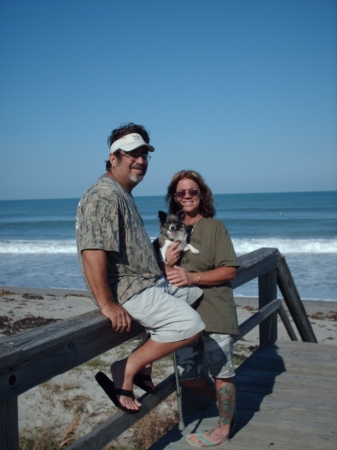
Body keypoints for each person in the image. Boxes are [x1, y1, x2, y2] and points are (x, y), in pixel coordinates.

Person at [76, 124, 205, 413]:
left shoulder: (123, 193)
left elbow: (129, 245)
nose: (141, 161)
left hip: (149, 281)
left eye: (145, 155)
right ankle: (126, 368)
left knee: (194, 293)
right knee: (190, 326)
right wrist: (108, 304)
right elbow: (92, 252)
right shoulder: (103, 194)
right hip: (130, 289)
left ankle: (144, 366)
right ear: (113, 158)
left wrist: (160, 264)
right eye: (132, 154)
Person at [163, 170, 240, 447]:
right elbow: (155, 269)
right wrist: (166, 264)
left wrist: (193, 277)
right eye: (181, 192)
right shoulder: (169, 226)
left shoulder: (215, 228)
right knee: (188, 377)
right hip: (181, 316)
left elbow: (230, 270)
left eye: (192, 192)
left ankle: (223, 428)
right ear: (175, 197)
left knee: (222, 374)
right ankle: (222, 403)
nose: (187, 196)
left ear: (201, 194)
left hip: (215, 310)